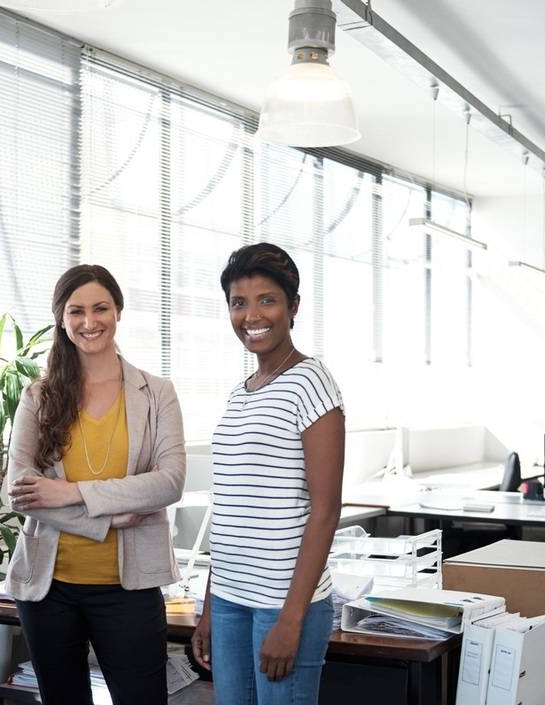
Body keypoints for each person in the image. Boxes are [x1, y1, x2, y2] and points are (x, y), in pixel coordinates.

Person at [5, 264, 186, 705]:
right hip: (49, 589)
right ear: (62, 320)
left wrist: (73, 493)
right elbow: (20, 489)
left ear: (118, 311)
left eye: (100, 308)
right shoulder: (38, 396)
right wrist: (108, 521)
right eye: (77, 311)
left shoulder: (156, 393)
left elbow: (169, 482)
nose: (90, 322)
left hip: (129, 588)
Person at [191, 243, 345, 705]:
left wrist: (292, 619)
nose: (251, 314)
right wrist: (209, 607)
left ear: (293, 306)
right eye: (239, 302)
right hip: (231, 599)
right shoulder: (240, 396)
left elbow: (325, 511)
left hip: (283, 604)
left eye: (267, 300)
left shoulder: (311, 382)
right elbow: (232, 512)